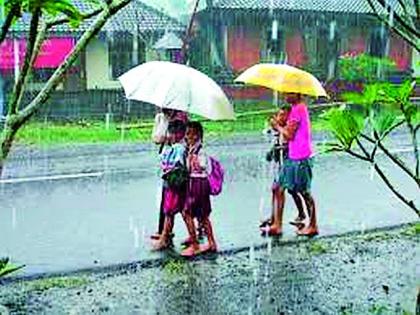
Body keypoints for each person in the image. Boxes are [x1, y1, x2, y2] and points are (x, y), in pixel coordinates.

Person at [263, 93, 319, 236]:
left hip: (300, 156)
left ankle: (313, 225)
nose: (285, 95)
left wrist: (277, 126)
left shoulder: (298, 109)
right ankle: (277, 224)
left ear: (297, 94)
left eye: (289, 93)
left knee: (304, 191)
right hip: (293, 156)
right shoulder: (296, 109)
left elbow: (289, 135)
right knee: (278, 187)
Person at [260, 107, 306, 235]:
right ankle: (274, 218)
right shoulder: (280, 131)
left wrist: (278, 130)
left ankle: (278, 224)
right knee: (277, 189)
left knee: (285, 190)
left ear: (288, 118)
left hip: (291, 163)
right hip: (284, 165)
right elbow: (276, 147)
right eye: (278, 115)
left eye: (282, 115)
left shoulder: (289, 130)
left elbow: (287, 145)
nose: (278, 118)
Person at [180, 121, 217, 257]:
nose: (187, 136)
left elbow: (203, 166)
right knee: (202, 216)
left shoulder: (200, 150)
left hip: (197, 182)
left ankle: (195, 245)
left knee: (187, 213)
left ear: (197, 135)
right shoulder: (191, 148)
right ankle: (212, 243)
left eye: (190, 134)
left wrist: (192, 159)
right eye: (186, 133)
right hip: (197, 182)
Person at [151, 109, 189, 241]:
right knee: (169, 205)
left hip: (176, 172)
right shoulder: (163, 117)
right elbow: (157, 138)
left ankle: (195, 232)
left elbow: (179, 140)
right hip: (170, 169)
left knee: (180, 207)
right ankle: (164, 232)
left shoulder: (180, 117)